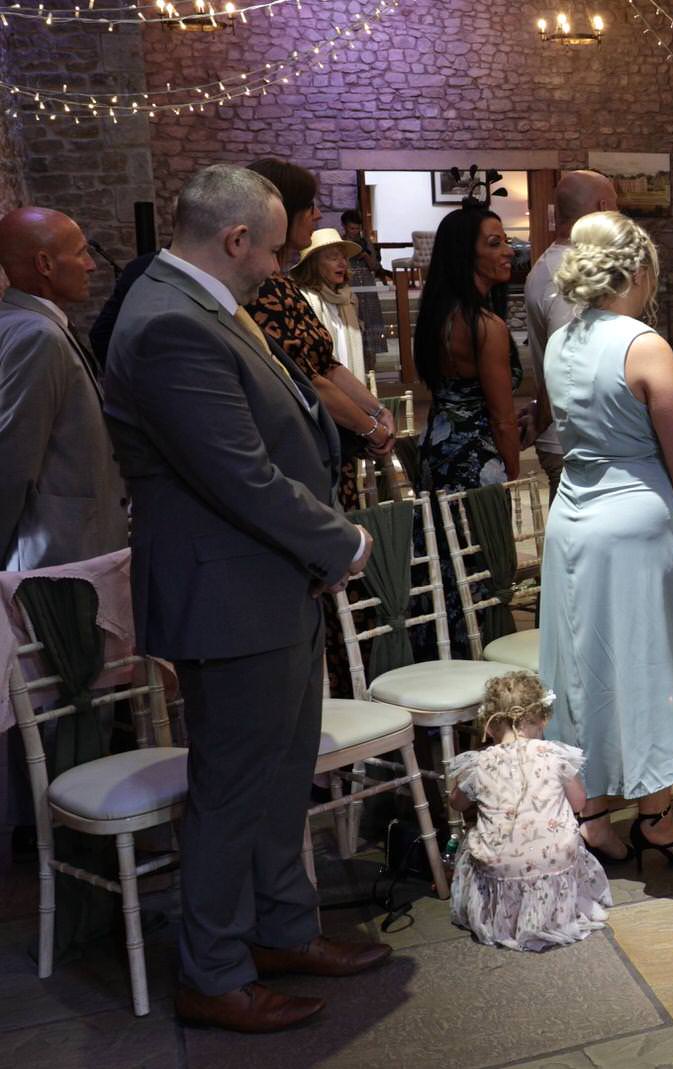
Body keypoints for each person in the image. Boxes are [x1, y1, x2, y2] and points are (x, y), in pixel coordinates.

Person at [103, 164, 386, 1033]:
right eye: (271, 250)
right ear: (234, 240)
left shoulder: (202, 303)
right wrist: (341, 541)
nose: (276, 266)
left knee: (282, 773)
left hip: (270, 577)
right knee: (232, 791)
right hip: (229, 590)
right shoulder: (168, 322)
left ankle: (282, 928)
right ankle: (216, 971)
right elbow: (240, 474)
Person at [539, 211, 673, 866]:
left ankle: (592, 814)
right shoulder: (644, 345)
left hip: (572, 518)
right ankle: (656, 816)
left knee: (583, 670)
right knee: (647, 665)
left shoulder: (561, 340)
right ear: (638, 271)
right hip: (637, 522)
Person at [243, 159, 395, 513]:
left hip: (330, 442)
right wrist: (370, 429)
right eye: (310, 206)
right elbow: (305, 379)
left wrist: (377, 409)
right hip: (301, 453)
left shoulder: (281, 284)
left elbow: (327, 363)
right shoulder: (261, 288)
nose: (318, 214)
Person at [445, 671, 612, 951]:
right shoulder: (555, 755)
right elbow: (579, 802)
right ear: (543, 719)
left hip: (500, 866)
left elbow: (457, 803)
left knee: (472, 842)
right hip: (554, 860)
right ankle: (563, 908)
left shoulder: (479, 764)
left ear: (490, 725)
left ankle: (501, 917)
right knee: (566, 834)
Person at [0, 206, 126, 569]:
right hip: (62, 558)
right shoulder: (38, 336)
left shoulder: (21, 322)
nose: (91, 266)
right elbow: (12, 461)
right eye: (81, 253)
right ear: (45, 264)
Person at [416, 204, 523, 491]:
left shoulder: (438, 314)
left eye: (506, 242)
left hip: (436, 447)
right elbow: (502, 419)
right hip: (475, 459)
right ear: (464, 253)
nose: (509, 251)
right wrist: (512, 470)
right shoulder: (485, 326)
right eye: (495, 243)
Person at [525, 169, 618, 492]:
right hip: (575, 440)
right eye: (616, 208)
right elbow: (565, 361)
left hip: (576, 436)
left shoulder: (555, 262)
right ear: (603, 208)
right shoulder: (569, 272)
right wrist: (540, 418)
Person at [288, 227, 370, 385]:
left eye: (344, 257)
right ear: (313, 264)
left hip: (351, 387)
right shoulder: (302, 300)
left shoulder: (349, 299)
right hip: (323, 389)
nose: (342, 263)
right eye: (333, 257)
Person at [339, 208, 391, 282]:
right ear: (344, 226)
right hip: (347, 281)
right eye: (352, 228)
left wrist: (366, 256)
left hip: (366, 280)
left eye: (357, 228)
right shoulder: (340, 243)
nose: (355, 232)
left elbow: (375, 267)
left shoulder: (365, 242)